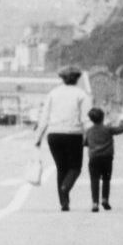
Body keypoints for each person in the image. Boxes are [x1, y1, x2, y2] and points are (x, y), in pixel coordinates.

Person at [33, 66, 90, 211]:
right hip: (73, 134)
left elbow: (44, 117)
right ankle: (65, 188)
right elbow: (86, 119)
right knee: (75, 168)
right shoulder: (81, 94)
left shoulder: (53, 93)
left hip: (54, 135)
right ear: (77, 78)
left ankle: (64, 202)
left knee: (61, 168)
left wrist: (38, 137)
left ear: (62, 78)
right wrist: (89, 136)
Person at [81, 107, 123, 212]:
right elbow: (121, 129)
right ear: (103, 117)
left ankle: (95, 203)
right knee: (106, 179)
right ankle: (105, 199)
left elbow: (84, 143)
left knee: (94, 180)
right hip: (107, 158)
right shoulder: (108, 129)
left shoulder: (89, 131)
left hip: (93, 158)